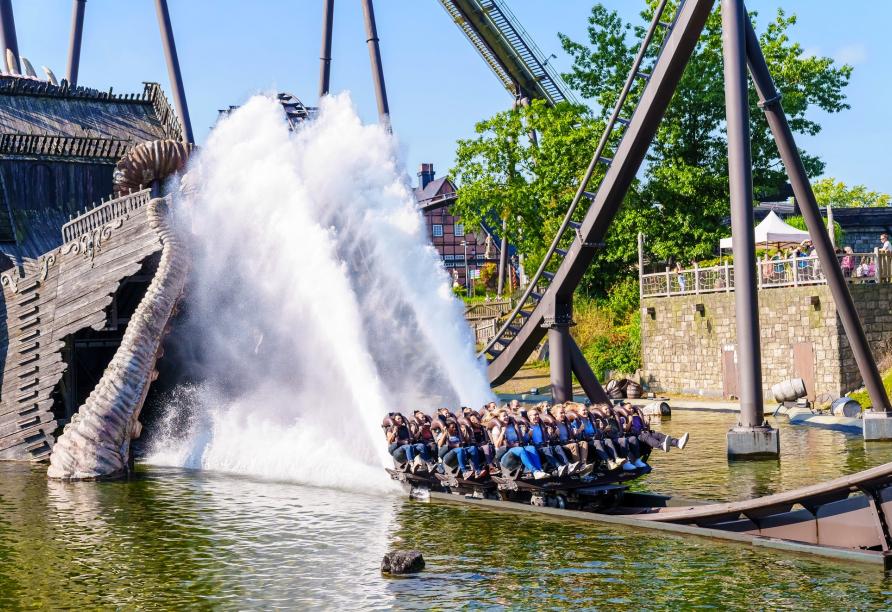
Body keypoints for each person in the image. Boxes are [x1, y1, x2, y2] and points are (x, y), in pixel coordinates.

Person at [491, 409, 547, 479]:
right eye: (504, 416)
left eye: (507, 415)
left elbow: (522, 441)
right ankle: (534, 471)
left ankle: (539, 470)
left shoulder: (513, 427)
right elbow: (497, 446)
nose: (506, 417)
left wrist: (528, 435)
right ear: (499, 418)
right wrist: (502, 432)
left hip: (516, 449)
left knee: (531, 448)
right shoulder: (496, 429)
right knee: (520, 450)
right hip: (504, 454)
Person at [528, 408, 572, 476]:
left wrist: (552, 434)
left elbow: (550, 439)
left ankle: (568, 465)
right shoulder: (527, 427)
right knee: (546, 449)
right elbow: (525, 440)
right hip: (536, 447)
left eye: (537, 415)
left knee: (557, 447)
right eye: (534, 415)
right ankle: (558, 467)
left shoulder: (541, 426)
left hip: (545, 445)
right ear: (529, 417)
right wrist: (527, 435)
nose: (537, 416)